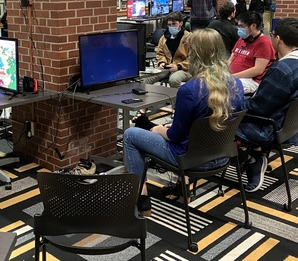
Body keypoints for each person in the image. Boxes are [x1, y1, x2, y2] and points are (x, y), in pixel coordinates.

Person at [124, 29, 244, 216]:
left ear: (194, 54)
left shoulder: (190, 90)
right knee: (173, 126)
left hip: (190, 159)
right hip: (221, 155)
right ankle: (182, 188)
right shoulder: (237, 84)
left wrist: (156, 129)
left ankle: (142, 199)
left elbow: (175, 137)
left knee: (130, 135)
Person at [236, 18, 298, 192]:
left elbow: (258, 107)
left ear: (277, 38)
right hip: (290, 127)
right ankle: (255, 154)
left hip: (270, 128)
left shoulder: (282, 70)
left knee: (220, 112)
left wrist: (231, 103)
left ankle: (253, 156)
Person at [229, 11, 275, 94]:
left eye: (241, 26)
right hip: (233, 77)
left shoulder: (264, 43)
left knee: (222, 88)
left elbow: (258, 70)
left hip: (250, 80)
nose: (239, 29)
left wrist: (232, 77)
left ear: (253, 26)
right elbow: (230, 60)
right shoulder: (242, 39)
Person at [143, 12, 191, 88]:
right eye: (169, 25)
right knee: (146, 78)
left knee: (174, 80)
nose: (171, 27)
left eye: (174, 24)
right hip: (168, 66)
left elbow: (192, 58)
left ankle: (176, 98)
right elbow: (160, 53)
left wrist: (178, 66)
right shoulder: (164, 38)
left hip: (184, 68)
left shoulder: (189, 38)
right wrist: (162, 62)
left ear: (181, 23)